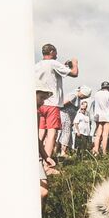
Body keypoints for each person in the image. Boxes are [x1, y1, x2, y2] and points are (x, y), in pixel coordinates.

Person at [34, 43, 78, 174]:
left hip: (39, 101)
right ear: (52, 52)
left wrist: (62, 66)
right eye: (56, 52)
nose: (57, 55)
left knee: (41, 132)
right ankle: (47, 166)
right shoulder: (53, 63)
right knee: (52, 132)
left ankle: (37, 159)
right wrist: (75, 62)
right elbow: (74, 73)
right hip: (52, 102)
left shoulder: (37, 65)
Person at [89, 81, 109, 155]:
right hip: (108, 116)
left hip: (99, 115)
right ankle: (104, 152)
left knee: (98, 134)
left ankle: (96, 151)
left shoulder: (97, 94)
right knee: (105, 135)